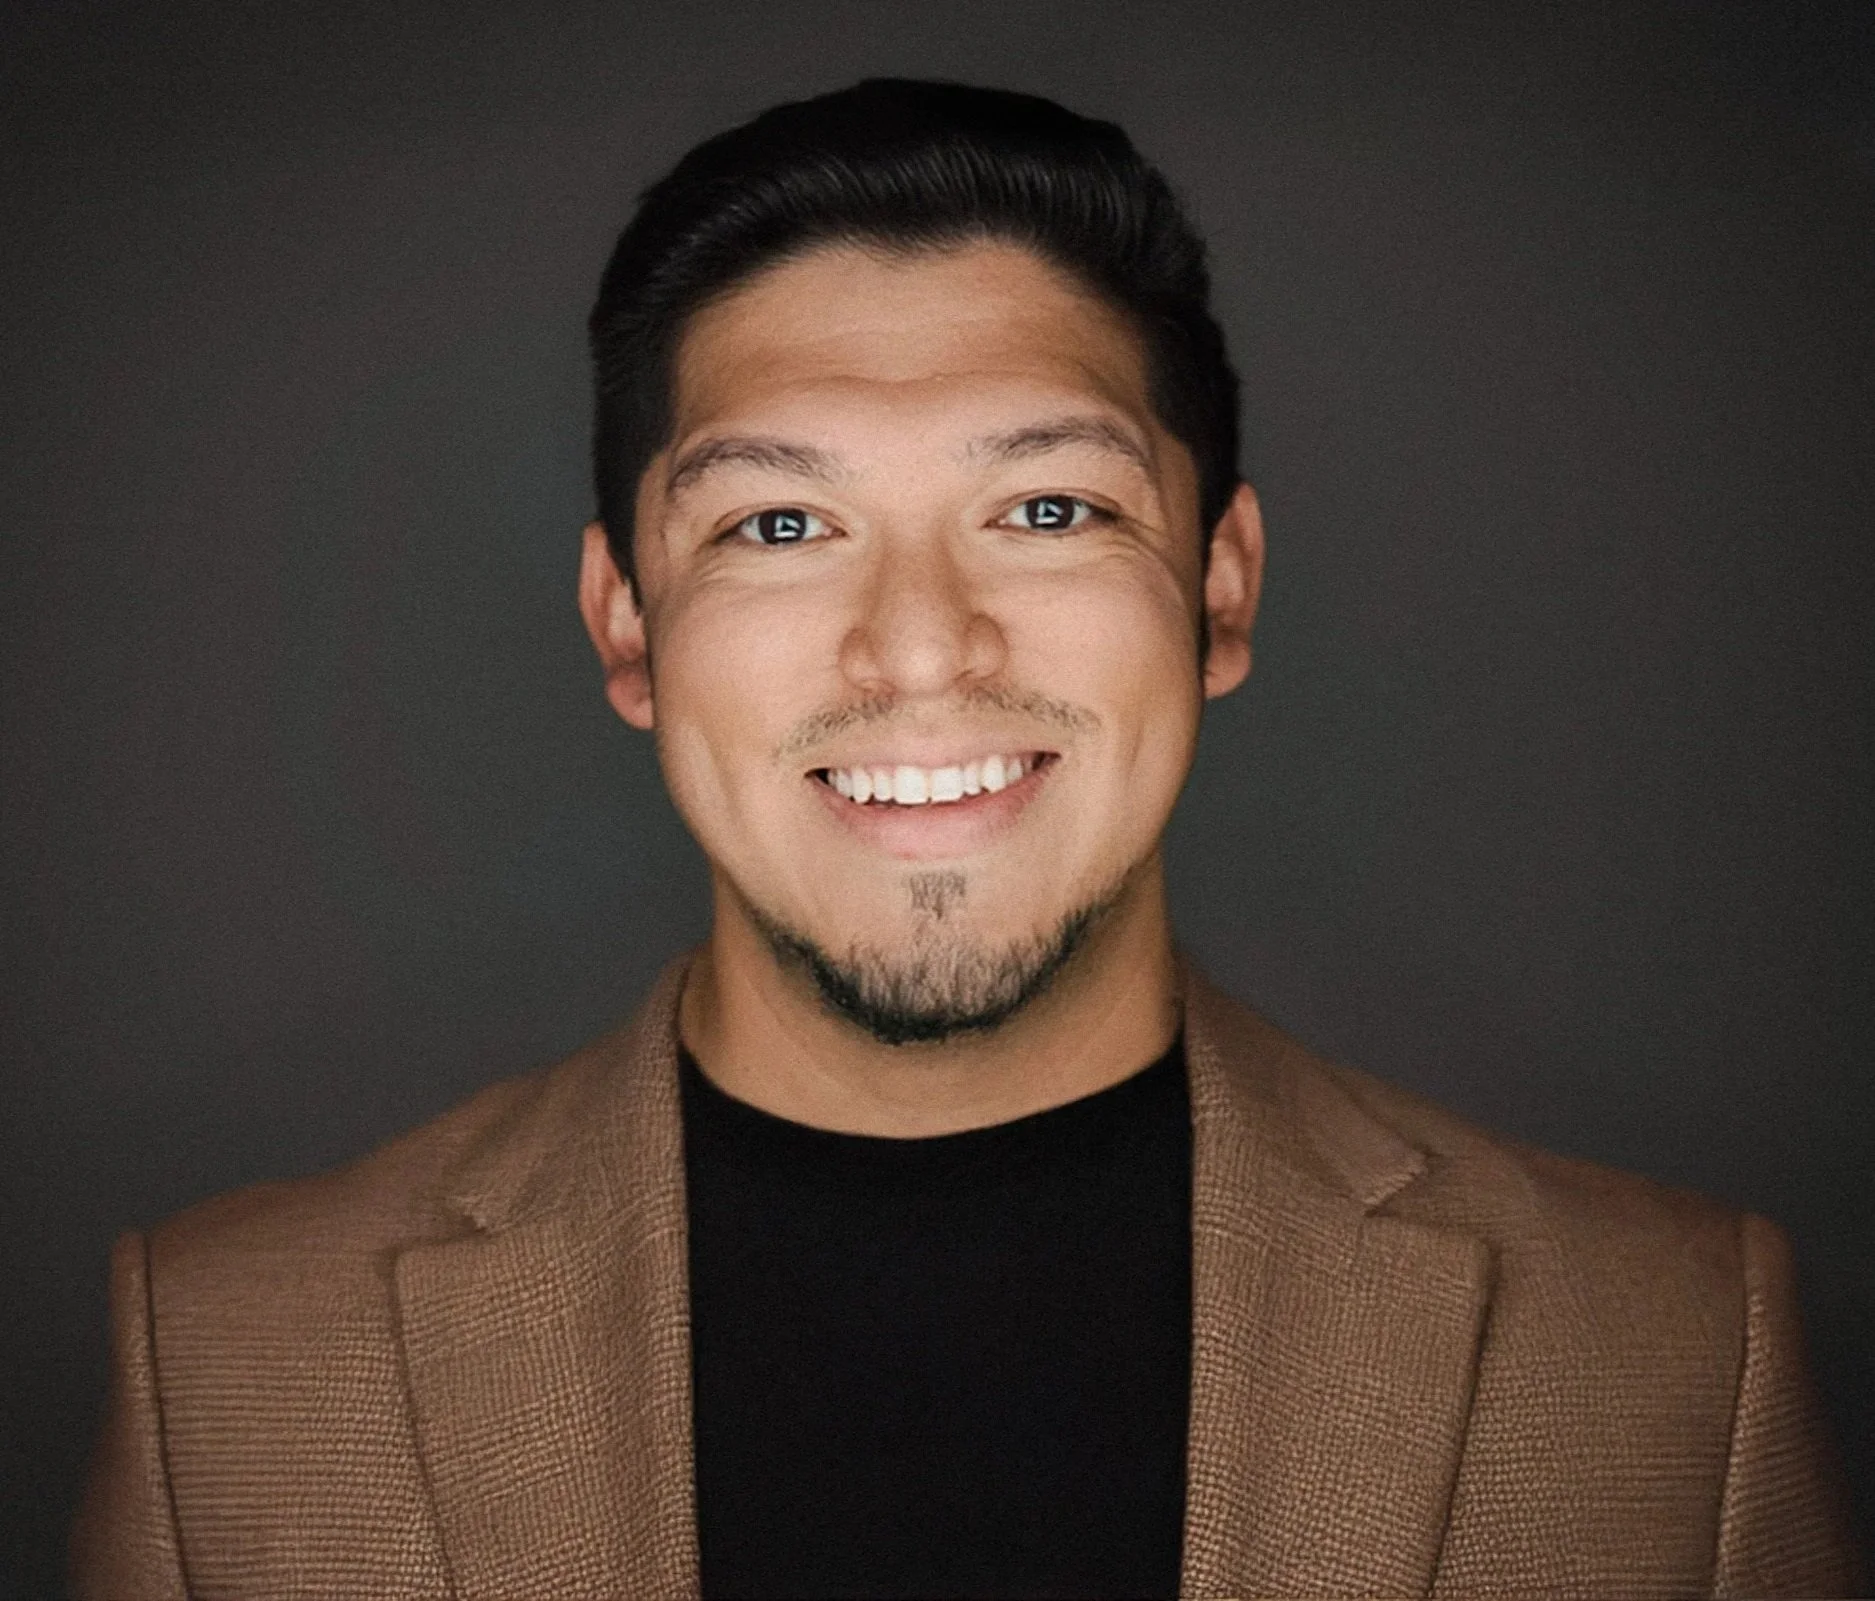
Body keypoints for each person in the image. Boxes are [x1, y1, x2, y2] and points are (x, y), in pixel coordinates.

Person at [72, 79, 1859, 1600]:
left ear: (1219, 589)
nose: (921, 648)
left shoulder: (1668, 1352)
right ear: (626, 625)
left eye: (1048, 507)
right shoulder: (228, 1360)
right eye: (778, 524)